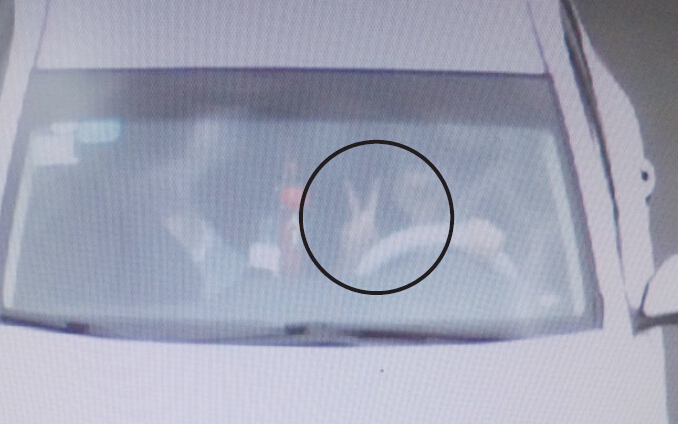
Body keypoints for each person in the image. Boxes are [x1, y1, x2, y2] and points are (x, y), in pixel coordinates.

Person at [338, 164, 507, 279]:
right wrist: (352, 259)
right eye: (413, 193)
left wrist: (488, 249)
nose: (424, 202)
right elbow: (339, 306)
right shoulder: (378, 247)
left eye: (430, 190)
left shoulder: (470, 231)